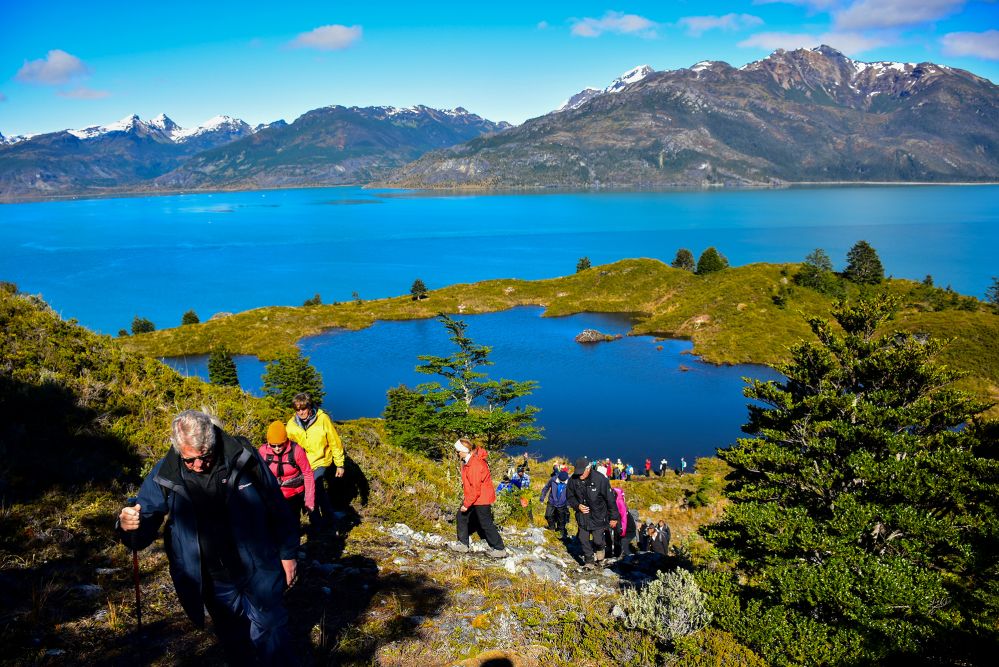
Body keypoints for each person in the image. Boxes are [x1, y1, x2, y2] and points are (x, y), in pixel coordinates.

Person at [117, 410, 298, 665]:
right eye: (190, 460)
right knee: (233, 639)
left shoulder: (243, 457)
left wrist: (288, 553)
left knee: (272, 633)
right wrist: (128, 525)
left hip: (259, 567)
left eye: (205, 456)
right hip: (213, 579)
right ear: (179, 449)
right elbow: (144, 519)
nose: (199, 465)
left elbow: (276, 505)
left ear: (213, 441)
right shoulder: (166, 472)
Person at [285, 393, 345, 532]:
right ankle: (322, 519)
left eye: (303, 408)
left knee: (316, 485)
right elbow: (288, 447)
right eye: (297, 409)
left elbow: (334, 441)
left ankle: (323, 520)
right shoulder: (291, 425)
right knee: (310, 491)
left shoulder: (322, 418)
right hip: (303, 465)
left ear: (310, 406)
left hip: (321, 460)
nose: (300, 412)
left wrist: (340, 464)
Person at [449, 438, 506, 558]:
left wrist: (466, 504)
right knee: (462, 516)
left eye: (458, 451)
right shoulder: (469, 461)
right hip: (477, 497)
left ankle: (499, 548)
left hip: (481, 499)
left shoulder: (475, 464)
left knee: (485, 523)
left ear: (464, 451)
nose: (457, 453)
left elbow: (475, 489)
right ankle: (463, 544)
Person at [258, 420, 315, 536]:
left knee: (293, 524)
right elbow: (258, 475)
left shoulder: (296, 450)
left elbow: (308, 474)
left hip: (294, 494)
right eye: (273, 445)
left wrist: (309, 501)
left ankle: (294, 549)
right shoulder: (263, 451)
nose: (277, 448)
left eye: (280, 444)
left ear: (286, 441)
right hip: (273, 494)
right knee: (274, 524)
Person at [567, 456, 620, 569]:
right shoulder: (573, 480)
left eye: (582, 472)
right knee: (583, 539)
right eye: (578, 472)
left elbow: (610, 499)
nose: (580, 475)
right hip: (582, 516)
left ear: (589, 468)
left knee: (598, 540)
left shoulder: (600, 479)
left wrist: (614, 517)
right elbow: (570, 496)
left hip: (599, 516)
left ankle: (600, 554)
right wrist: (577, 506)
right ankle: (589, 561)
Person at [539, 469, 570, 538]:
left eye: (563, 481)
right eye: (561, 481)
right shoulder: (553, 479)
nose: (562, 482)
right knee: (548, 515)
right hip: (552, 501)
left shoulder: (570, 482)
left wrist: (569, 504)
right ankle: (552, 527)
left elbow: (573, 493)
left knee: (561, 520)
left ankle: (560, 533)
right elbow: (546, 488)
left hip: (562, 503)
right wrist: (542, 498)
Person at [611, 487, 638, 558]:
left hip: (628, 530)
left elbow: (623, 518)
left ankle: (632, 559)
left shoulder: (620, 503)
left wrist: (621, 530)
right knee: (619, 545)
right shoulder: (617, 502)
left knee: (624, 547)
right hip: (622, 529)